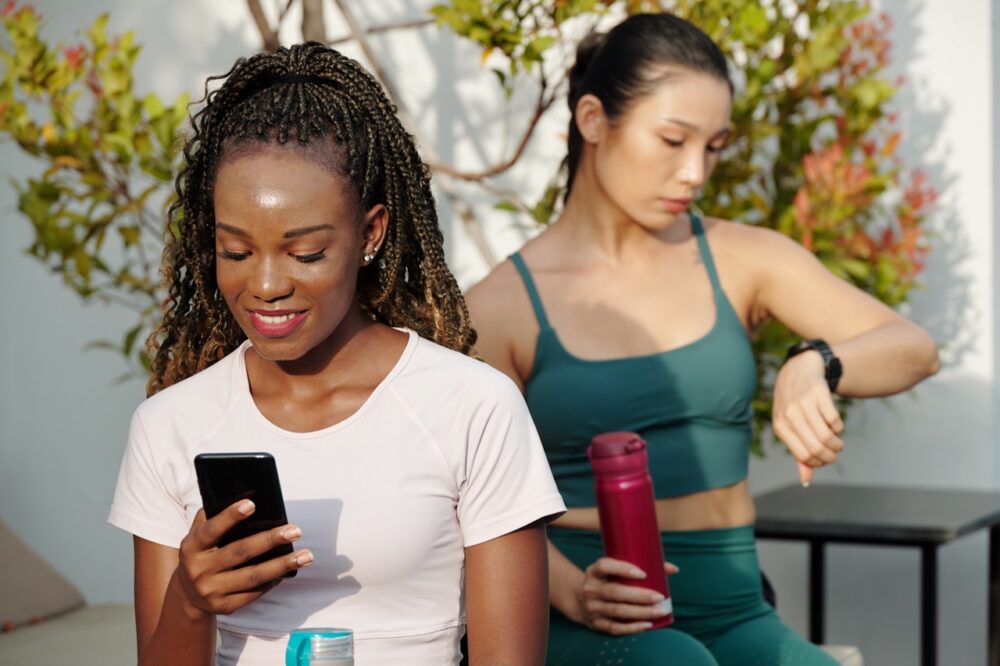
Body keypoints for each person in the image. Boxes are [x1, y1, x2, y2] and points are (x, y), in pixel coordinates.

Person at [466, 13, 939, 666]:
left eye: (713, 147)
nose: (695, 172)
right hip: (593, 620)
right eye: (672, 139)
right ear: (594, 120)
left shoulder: (741, 258)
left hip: (736, 611)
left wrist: (816, 362)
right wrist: (568, 589)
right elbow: (456, 494)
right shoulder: (502, 306)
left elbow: (912, 347)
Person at [107, 42, 566, 666]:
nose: (265, 285)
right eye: (236, 252)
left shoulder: (471, 408)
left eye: (306, 253)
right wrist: (191, 601)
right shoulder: (170, 426)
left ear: (369, 234)